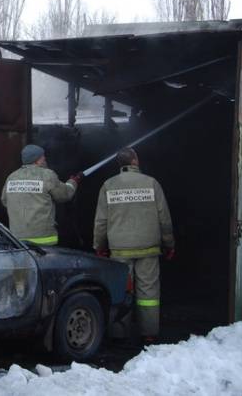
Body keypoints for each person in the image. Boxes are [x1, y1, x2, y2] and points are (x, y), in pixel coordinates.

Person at [93, 147, 175, 344]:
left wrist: (99, 246)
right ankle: (149, 333)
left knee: (121, 290)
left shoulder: (108, 185)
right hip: (148, 249)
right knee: (149, 293)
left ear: (119, 164)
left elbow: (101, 221)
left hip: (119, 250)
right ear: (135, 161)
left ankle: (119, 333)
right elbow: (164, 218)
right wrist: (169, 243)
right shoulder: (151, 183)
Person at [0, 144, 81, 246]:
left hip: (18, 240)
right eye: (43, 158)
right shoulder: (47, 175)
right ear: (37, 160)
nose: (45, 160)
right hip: (43, 240)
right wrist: (73, 182)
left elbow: (4, 201)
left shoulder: (11, 177)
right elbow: (64, 195)